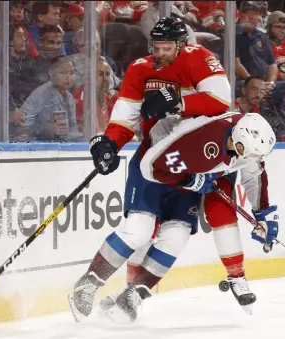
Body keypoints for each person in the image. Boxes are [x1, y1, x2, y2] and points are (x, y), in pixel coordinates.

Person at [68, 16, 231, 322]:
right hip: (151, 162)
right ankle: (87, 285)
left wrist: (177, 103)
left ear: (183, 45)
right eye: (156, 47)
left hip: (189, 164)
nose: (160, 53)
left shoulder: (202, 60)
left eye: (167, 48)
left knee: (177, 235)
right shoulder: (141, 69)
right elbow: (125, 116)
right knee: (138, 230)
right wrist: (110, 144)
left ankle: (132, 295)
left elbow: (221, 101)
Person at [99, 112, 279, 321]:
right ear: (237, 138)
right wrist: (187, 179)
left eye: (252, 155)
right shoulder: (204, 133)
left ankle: (237, 276)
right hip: (169, 158)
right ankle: (126, 290)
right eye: (244, 151)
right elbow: (157, 159)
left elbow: (254, 176)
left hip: (209, 163)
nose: (247, 157)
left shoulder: (248, 146)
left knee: (205, 220)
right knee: (145, 225)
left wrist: (262, 212)